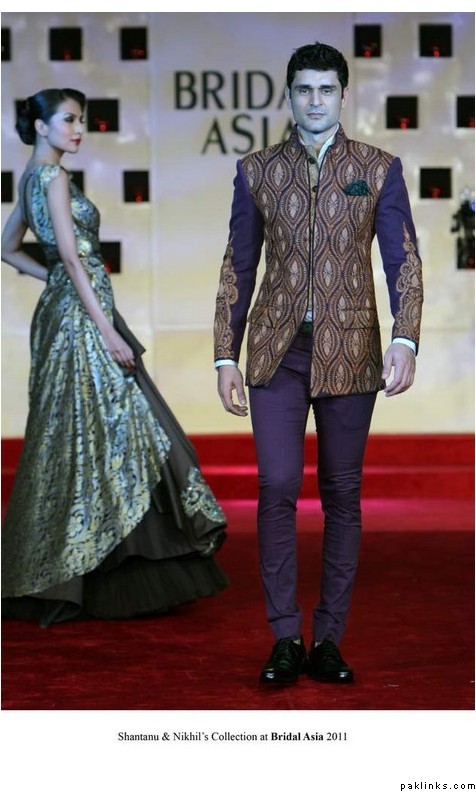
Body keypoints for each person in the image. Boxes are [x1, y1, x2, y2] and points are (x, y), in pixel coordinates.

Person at [214, 42, 423, 685]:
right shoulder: (256, 170)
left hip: (351, 350)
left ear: (342, 95)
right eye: (303, 89)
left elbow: (404, 260)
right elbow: (237, 265)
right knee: (277, 487)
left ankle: (329, 638)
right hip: (276, 352)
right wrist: (224, 353)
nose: (314, 101)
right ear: (288, 95)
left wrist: (406, 338)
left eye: (326, 89)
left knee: (342, 493)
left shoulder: (377, 168)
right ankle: (285, 637)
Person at [2, 88, 228, 627]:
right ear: (41, 126)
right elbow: (73, 260)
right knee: (119, 426)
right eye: (69, 120)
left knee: (79, 435)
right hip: (85, 321)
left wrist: (51, 280)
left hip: (66, 313)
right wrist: (108, 331)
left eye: (81, 120)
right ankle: (100, 569)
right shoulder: (53, 178)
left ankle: (84, 566)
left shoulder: (30, 177)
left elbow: (8, 248)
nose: (79, 129)